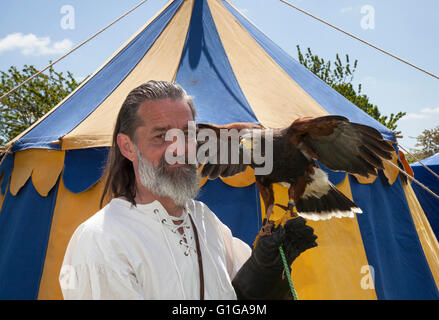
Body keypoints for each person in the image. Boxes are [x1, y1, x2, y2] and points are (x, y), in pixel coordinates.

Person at [59, 80, 318, 300]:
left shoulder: (206, 221)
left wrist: (265, 272)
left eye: (187, 134)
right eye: (161, 136)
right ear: (128, 147)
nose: (179, 149)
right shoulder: (103, 240)